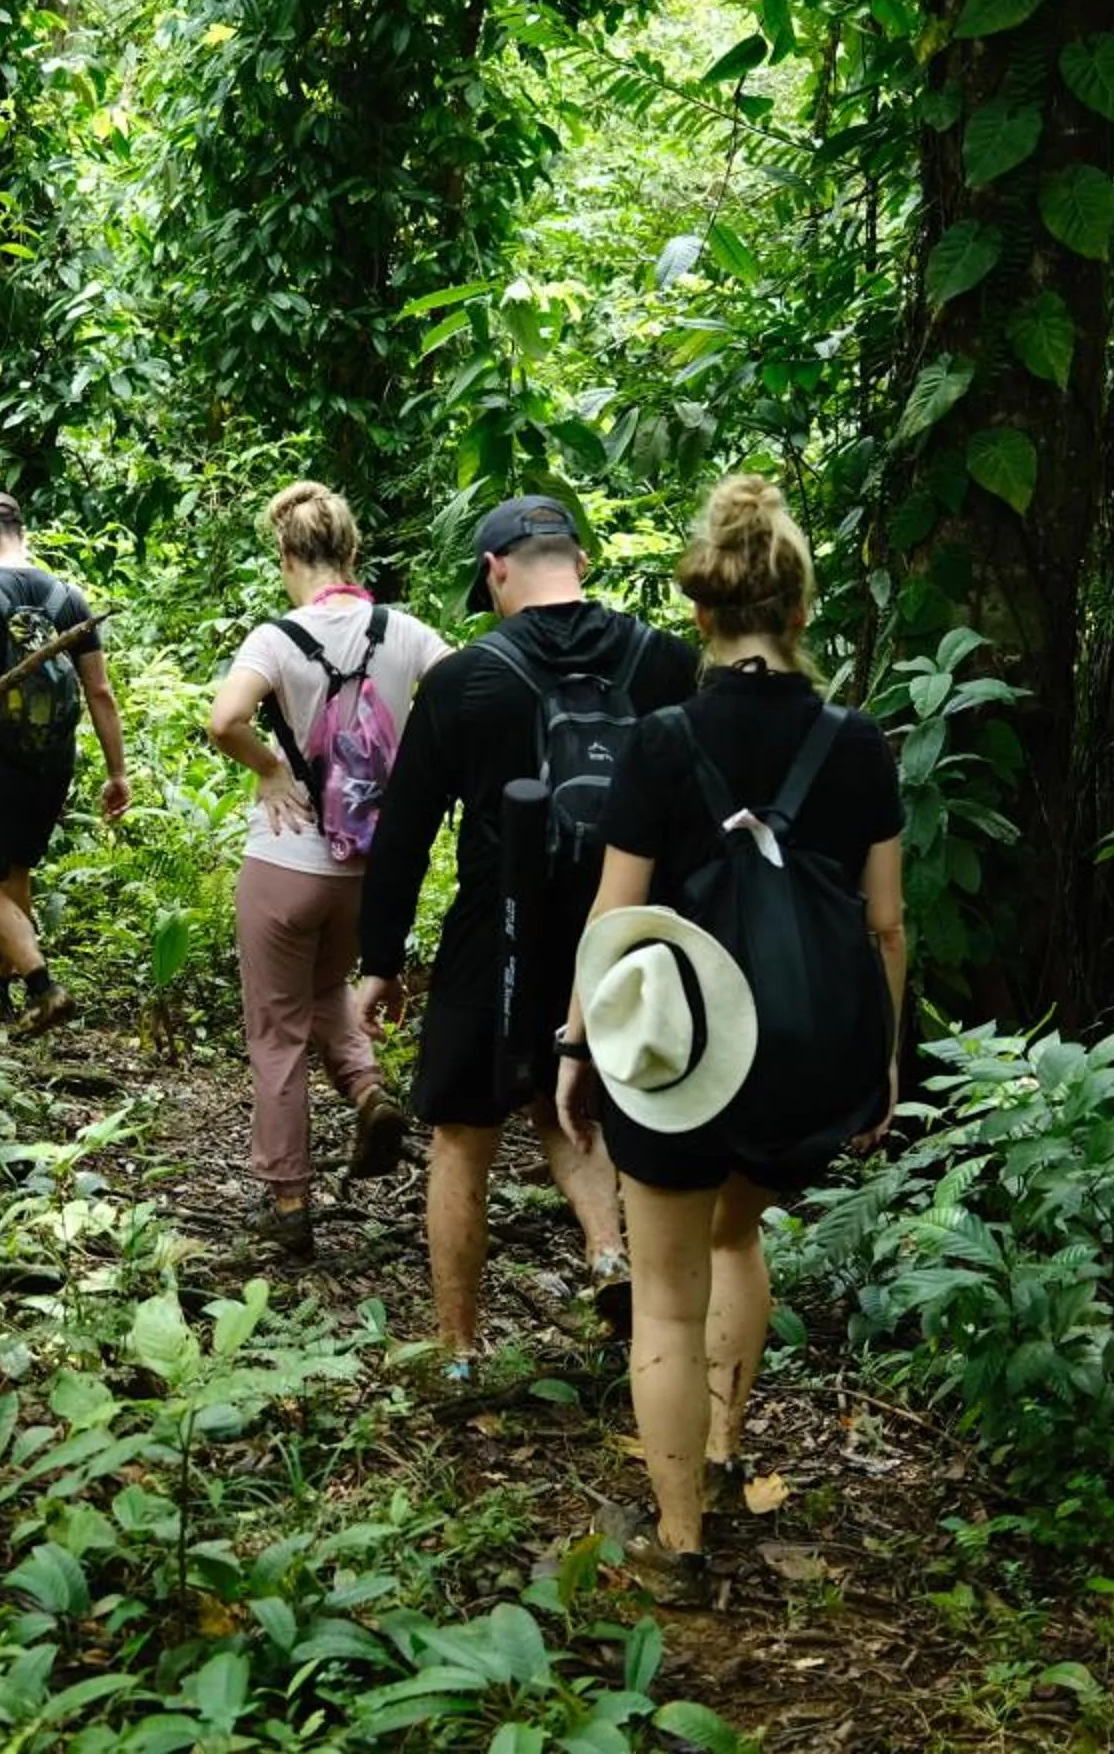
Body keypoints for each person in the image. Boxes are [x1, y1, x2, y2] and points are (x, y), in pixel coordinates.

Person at [560, 473, 908, 1606]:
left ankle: (679, 1536)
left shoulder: (662, 740)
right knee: (735, 1239)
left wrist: (577, 1046)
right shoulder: (859, 744)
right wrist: (883, 1056)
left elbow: (615, 920)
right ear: (802, 613)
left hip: (675, 1056)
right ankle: (723, 1442)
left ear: (703, 615)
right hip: (800, 1055)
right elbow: (886, 923)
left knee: (661, 1290)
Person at [352, 495, 698, 1369]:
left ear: (497, 569)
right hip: (630, 938)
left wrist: (380, 963)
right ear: (578, 559)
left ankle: (460, 1352)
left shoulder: (464, 679)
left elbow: (406, 832)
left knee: (463, 1138)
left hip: (495, 935)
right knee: (597, 1106)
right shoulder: (669, 665)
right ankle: (619, 1267)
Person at [206, 483, 448, 1257]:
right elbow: (470, 697)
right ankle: (368, 1090)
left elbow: (224, 719)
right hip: (369, 873)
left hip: (286, 862)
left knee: (275, 1033)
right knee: (324, 989)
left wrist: (271, 772)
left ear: (287, 557)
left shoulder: (277, 639)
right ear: (352, 552)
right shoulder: (407, 632)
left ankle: (288, 1203)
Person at [0, 491, 130, 1036]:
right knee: (17, 868)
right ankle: (6, 972)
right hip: (51, 764)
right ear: (24, 529)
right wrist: (117, 772)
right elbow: (100, 692)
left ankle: (43, 986)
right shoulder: (70, 597)